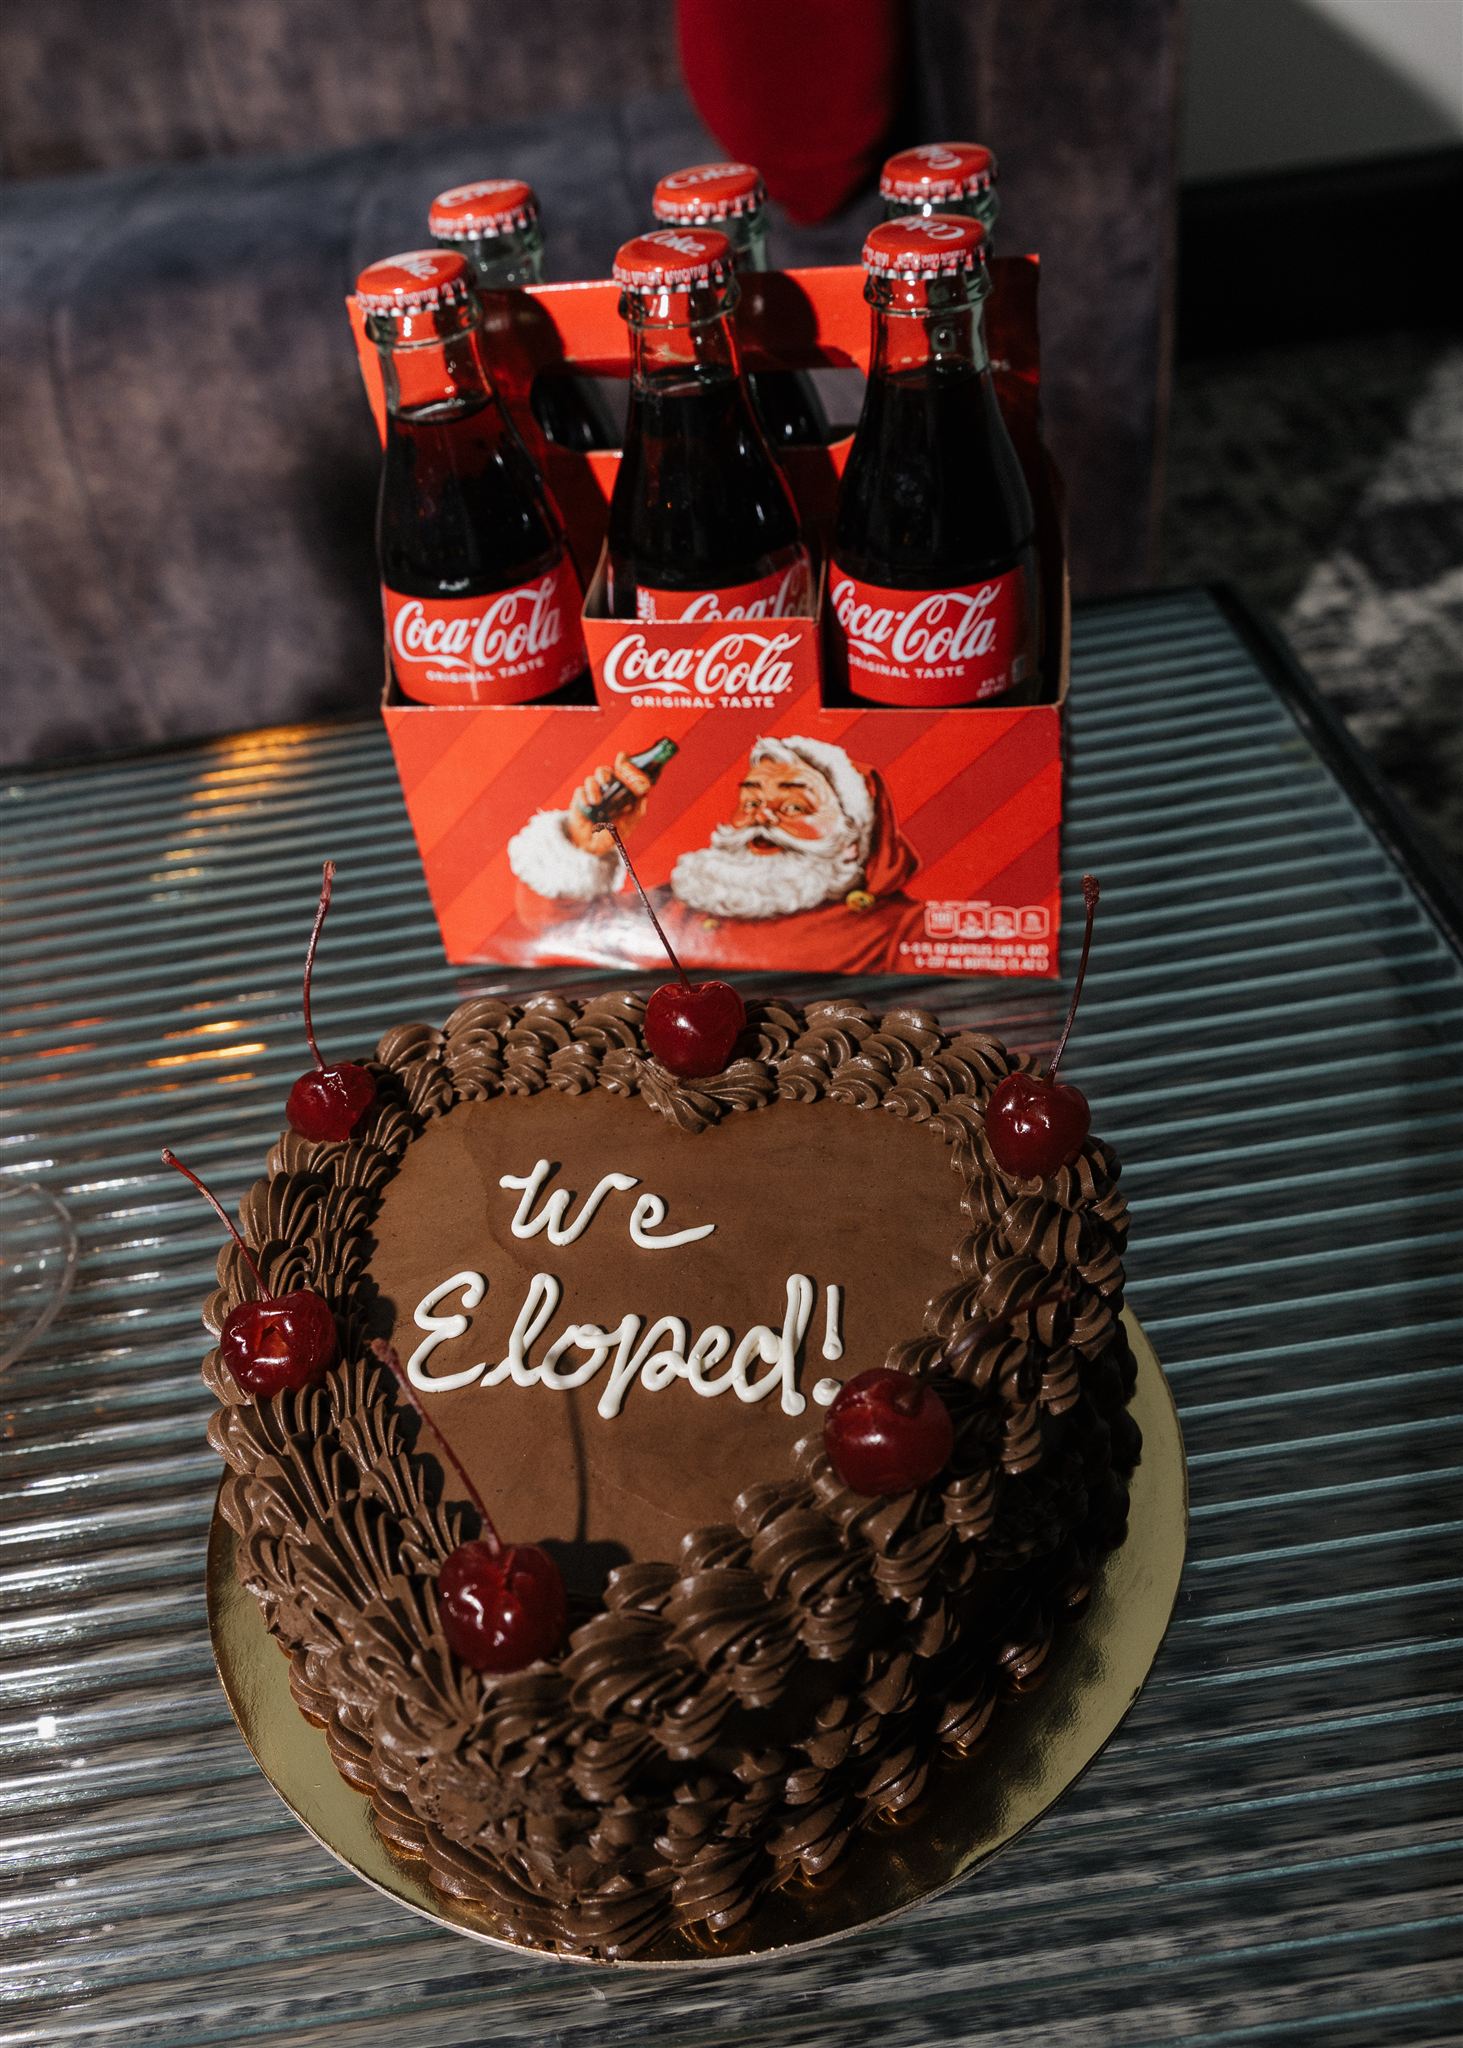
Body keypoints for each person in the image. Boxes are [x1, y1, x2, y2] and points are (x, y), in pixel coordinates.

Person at [507, 733, 924, 973]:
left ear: (853, 839)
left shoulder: (898, 931)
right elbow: (559, 927)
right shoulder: (687, 901)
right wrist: (583, 843)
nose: (762, 817)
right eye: (750, 801)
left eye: (794, 807)